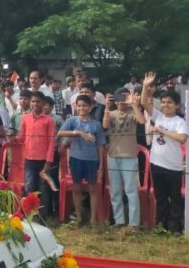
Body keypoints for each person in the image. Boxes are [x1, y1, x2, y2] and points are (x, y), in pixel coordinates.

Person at [141, 72, 188, 234]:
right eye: (163, 102)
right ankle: (162, 227)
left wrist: (161, 131)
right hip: (156, 164)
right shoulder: (158, 116)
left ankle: (176, 228)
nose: (165, 105)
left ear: (177, 105)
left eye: (169, 102)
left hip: (173, 167)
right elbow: (144, 103)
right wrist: (145, 86)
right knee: (160, 198)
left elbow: (182, 138)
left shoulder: (180, 122)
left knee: (175, 198)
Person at [57, 95, 107, 225]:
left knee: (92, 189)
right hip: (76, 159)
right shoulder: (72, 121)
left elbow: (100, 145)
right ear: (75, 107)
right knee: (77, 188)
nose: (81, 108)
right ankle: (78, 216)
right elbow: (60, 133)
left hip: (92, 160)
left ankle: (93, 219)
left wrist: (101, 165)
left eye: (84, 105)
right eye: (79, 106)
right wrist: (78, 133)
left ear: (90, 107)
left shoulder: (96, 125)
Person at [103, 87, 145, 229]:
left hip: (129, 156)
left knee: (131, 190)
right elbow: (105, 125)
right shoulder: (111, 113)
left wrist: (133, 103)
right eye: (119, 98)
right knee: (115, 190)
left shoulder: (132, 113)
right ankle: (119, 220)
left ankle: (134, 223)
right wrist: (107, 107)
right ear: (115, 100)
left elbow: (142, 120)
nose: (122, 101)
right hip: (113, 156)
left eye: (124, 97)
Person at [16, 91, 56, 219]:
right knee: (29, 187)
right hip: (29, 159)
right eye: (33, 101)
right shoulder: (25, 118)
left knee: (42, 188)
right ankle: (29, 214)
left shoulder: (49, 121)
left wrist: (48, 162)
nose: (35, 104)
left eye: (38, 101)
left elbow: (51, 142)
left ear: (43, 103)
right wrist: (14, 138)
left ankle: (42, 217)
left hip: (43, 161)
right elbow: (22, 136)